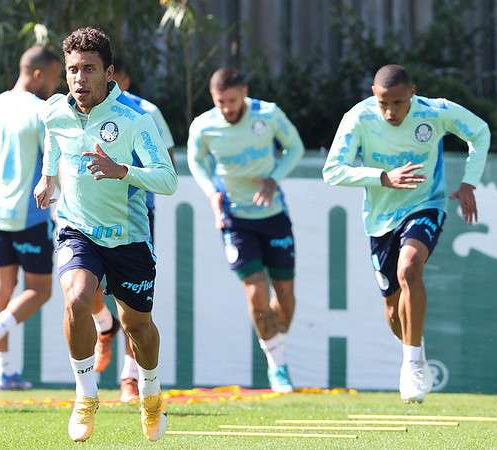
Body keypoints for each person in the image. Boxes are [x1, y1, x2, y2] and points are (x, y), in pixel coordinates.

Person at [33, 27, 177, 442]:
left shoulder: (135, 120)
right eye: (73, 70)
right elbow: (54, 142)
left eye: (89, 69)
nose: (79, 79)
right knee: (77, 297)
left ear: (109, 72)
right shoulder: (55, 111)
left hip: (129, 237)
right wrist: (47, 179)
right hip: (77, 229)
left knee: (138, 329)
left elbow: (168, 180)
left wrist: (122, 171)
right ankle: (85, 396)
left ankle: (150, 395)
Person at [323, 64, 490, 403]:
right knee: (392, 309)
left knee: (409, 268)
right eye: (384, 103)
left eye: (398, 103)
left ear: (412, 92)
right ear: (373, 92)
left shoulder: (436, 112)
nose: (390, 111)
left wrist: (469, 181)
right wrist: (383, 177)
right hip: (380, 219)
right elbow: (333, 171)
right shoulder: (358, 118)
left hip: (425, 205)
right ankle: (416, 351)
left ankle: (411, 365)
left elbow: (480, 131)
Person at [187, 68, 304, 393]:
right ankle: (278, 367)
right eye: (220, 101)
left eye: (233, 100)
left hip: (274, 215)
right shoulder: (205, 125)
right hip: (235, 219)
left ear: (245, 93)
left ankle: (276, 347)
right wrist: (212, 193)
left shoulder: (268, 114)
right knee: (255, 292)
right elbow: (196, 161)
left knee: (285, 297)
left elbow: (294, 148)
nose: (227, 108)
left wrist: (273, 179)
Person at [0, 46, 63, 391]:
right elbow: (53, 166)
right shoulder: (42, 110)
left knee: (2, 287)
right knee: (40, 290)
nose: (57, 84)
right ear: (38, 74)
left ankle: (4, 373)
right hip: (30, 215)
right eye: (55, 76)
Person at [91, 57, 176, 403]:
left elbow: (165, 159)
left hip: (135, 215)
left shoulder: (145, 112)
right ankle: (102, 323)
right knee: (86, 289)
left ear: (117, 76)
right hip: (89, 217)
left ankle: (129, 378)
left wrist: (127, 172)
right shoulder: (79, 110)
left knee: (132, 303)